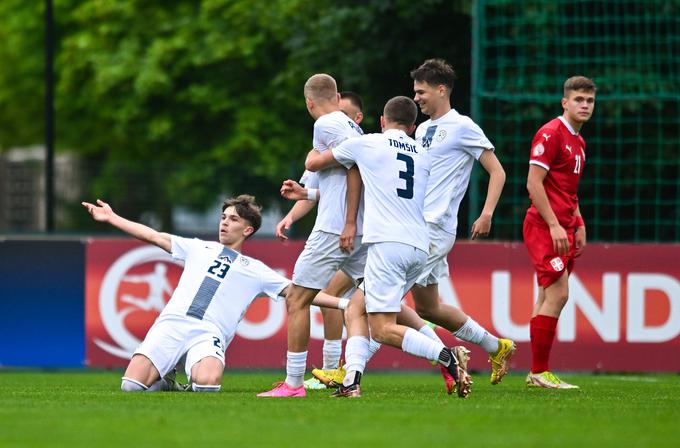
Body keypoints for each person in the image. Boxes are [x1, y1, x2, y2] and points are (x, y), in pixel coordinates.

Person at [82, 195, 344, 393]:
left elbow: (299, 294)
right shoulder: (198, 247)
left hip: (208, 333)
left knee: (207, 386)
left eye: (233, 219)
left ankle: (178, 372)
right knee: (130, 387)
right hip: (172, 323)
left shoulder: (256, 270)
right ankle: (166, 377)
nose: (225, 223)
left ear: (248, 230)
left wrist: (344, 303)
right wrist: (112, 217)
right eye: (223, 217)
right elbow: (154, 235)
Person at [306, 96, 472, 398]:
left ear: (382, 121)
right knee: (356, 308)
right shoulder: (423, 154)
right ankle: (351, 382)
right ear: (412, 127)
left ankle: (446, 356)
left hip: (387, 244)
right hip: (419, 247)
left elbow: (314, 163)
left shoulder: (368, 143)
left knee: (382, 328)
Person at [408, 58, 516, 385]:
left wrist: (486, 213)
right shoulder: (423, 129)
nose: (417, 98)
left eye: (421, 91)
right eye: (414, 92)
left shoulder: (463, 126)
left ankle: (350, 371)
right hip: (416, 224)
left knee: (379, 297)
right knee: (428, 308)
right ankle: (497, 347)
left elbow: (497, 171)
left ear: (442, 90)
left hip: (434, 227)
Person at [258, 74, 366, 397]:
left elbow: (354, 168)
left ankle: (293, 384)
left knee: (297, 298)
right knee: (373, 305)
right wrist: (307, 193)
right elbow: (340, 177)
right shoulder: (352, 127)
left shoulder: (325, 126)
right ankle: (441, 353)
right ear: (336, 96)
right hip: (361, 229)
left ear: (309, 103)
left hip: (335, 228)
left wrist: (346, 222)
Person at [524, 76, 596, 389]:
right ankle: (540, 372)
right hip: (544, 226)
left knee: (546, 296)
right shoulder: (551, 133)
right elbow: (533, 183)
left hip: (564, 226)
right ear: (564, 102)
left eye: (590, 101)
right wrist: (554, 224)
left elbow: (568, 189)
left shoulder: (578, 141)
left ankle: (535, 373)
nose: (585, 105)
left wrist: (577, 222)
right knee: (559, 293)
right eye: (579, 99)